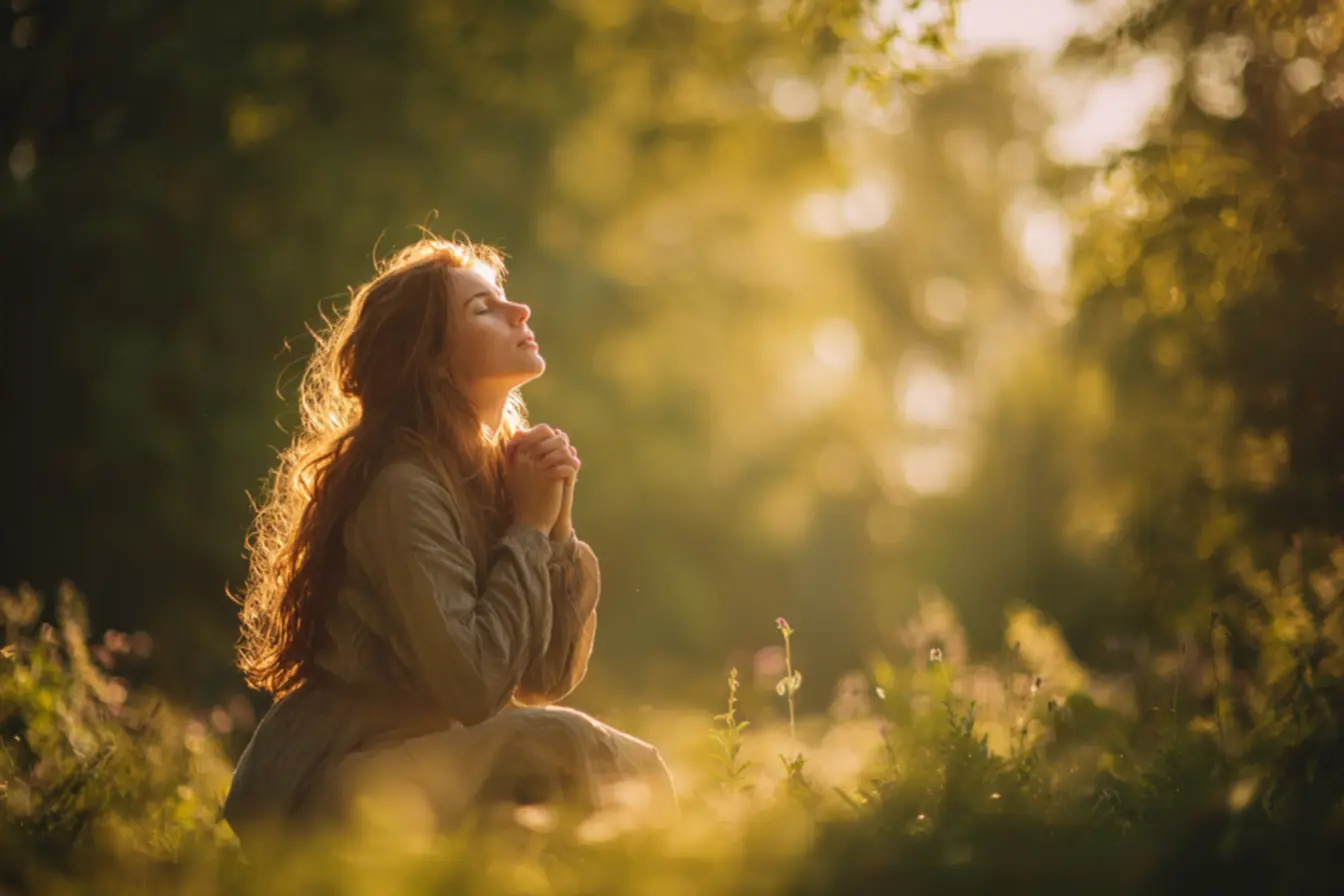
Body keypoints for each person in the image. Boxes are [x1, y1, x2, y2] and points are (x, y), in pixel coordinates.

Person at [222, 235, 676, 851]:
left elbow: (545, 675)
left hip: (427, 765)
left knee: (625, 761)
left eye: (507, 299)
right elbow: (473, 685)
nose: (521, 313)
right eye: (483, 309)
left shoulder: (491, 477)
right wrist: (529, 530)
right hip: (334, 784)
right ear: (432, 359)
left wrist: (554, 524)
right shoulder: (404, 487)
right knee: (559, 745)